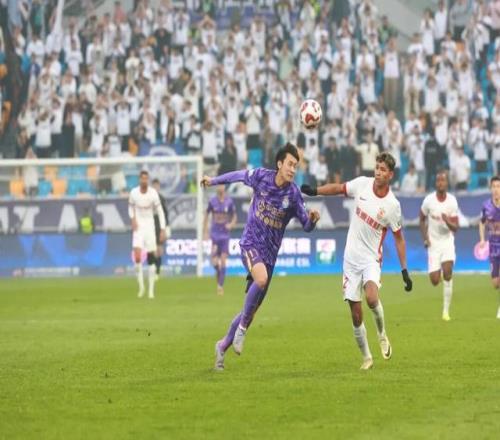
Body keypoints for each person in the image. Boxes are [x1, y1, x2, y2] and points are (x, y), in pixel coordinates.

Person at [200, 143, 320, 370]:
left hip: (269, 256)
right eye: (289, 164)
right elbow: (237, 175)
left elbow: (306, 225)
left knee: (251, 310)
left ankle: (222, 346)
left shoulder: (294, 194)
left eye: (295, 166)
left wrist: (312, 219)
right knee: (261, 280)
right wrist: (213, 181)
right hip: (250, 243)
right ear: (279, 164)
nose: (292, 169)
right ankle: (242, 330)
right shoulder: (261, 177)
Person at [301, 152, 413, 370]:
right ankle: (367, 358)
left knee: (371, 298)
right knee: (355, 314)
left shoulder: (392, 205)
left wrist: (404, 271)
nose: (378, 172)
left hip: (371, 259)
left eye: (383, 170)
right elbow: (338, 188)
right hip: (350, 259)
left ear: (390, 175)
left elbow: (399, 238)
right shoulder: (362, 184)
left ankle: (382, 334)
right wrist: (315, 191)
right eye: (377, 167)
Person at [419, 170, 459, 321]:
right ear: (435, 183)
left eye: (443, 180)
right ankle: (440, 273)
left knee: (448, 273)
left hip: (447, 242)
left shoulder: (452, 202)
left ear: (447, 183)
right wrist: (425, 238)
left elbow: (456, 227)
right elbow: (421, 219)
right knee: (435, 281)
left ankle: (445, 312)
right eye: (438, 180)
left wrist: (447, 221)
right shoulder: (428, 201)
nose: (440, 183)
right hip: (433, 244)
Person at [128, 171, 166, 299]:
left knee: (151, 257)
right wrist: (133, 219)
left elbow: (160, 212)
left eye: (146, 179)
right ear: (139, 180)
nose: (144, 181)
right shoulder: (134, 193)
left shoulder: (153, 193)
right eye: (142, 178)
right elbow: (130, 207)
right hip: (138, 227)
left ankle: (151, 291)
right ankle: (141, 287)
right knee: (137, 256)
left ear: (148, 180)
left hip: (150, 227)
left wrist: (162, 229)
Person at [203, 185, 236, 296]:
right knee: (214, 262)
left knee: (223, 259)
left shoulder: (229, 202)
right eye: (218, 185)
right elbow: (206, 215)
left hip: (225, 236)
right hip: (214, 235)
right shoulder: (212, 201)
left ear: (224, 187)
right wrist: (205, 231)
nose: (220, 187)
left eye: (221, 185)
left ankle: (220, 286)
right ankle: (219, 273)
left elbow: (234, 216)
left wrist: (231, 224)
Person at [479, 176, 500, 319]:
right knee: (495, 283)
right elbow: (481, 222)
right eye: (494, 187)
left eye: (498, 186)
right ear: (490, 188)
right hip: (493, 248)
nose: (496, 189)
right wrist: (482, 239)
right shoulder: (486, 206)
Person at [152, 179, 171, 280]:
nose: (156, 188)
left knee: (159, 249)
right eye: (154, 186)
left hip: (160, 226)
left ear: (159, 187)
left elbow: (166, 213)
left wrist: (167, 226)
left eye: (157, 186)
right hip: (151, 226)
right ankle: (154, 268)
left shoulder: (161, 199)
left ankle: (157, 271)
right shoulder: (149, 198)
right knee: (152, 249)